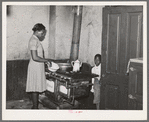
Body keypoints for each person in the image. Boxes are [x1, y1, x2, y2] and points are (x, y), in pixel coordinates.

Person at [26, 23, 52, 109]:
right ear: (37, 31)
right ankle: (35, 106)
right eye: (42, 32)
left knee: (36, 87)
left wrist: (44, 61)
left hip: (38, 66)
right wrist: (46, 60)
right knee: (35, 87)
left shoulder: (36, 40)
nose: (43, 34)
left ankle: (35, 106)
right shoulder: (33, 40)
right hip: (35, 66)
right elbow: (35, 57)